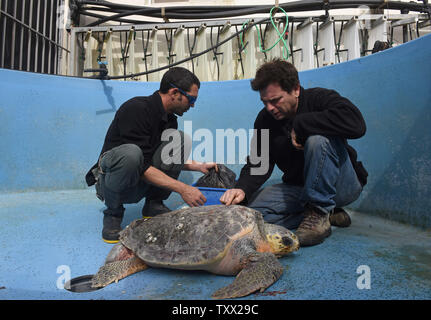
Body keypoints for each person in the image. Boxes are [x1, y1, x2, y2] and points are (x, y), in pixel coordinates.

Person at [220, 59, 368, 247]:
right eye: (265, 102)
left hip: (343, 185)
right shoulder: (265, 120)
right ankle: (323, 216)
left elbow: (357, 124)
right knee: (249, 214)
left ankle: (319, 212)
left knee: (318, 140)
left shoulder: (320, 99)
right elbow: (258, 163)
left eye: (275, 100)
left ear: (296, 89)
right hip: (300, 188)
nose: (270, 108)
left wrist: (301, 124)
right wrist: (241, 189)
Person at [85, 67, 217, 243]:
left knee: (179, 139)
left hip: (139, 180)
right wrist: (183, 189)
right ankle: (113, 213)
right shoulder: (136, 109)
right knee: (132, 153)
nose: (192, 105)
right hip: (111, 184)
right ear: (174, 92)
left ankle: (153, 204)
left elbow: (154, 157)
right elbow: (141, 165)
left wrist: (197, 166)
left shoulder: (170, 120)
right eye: (191, 99)